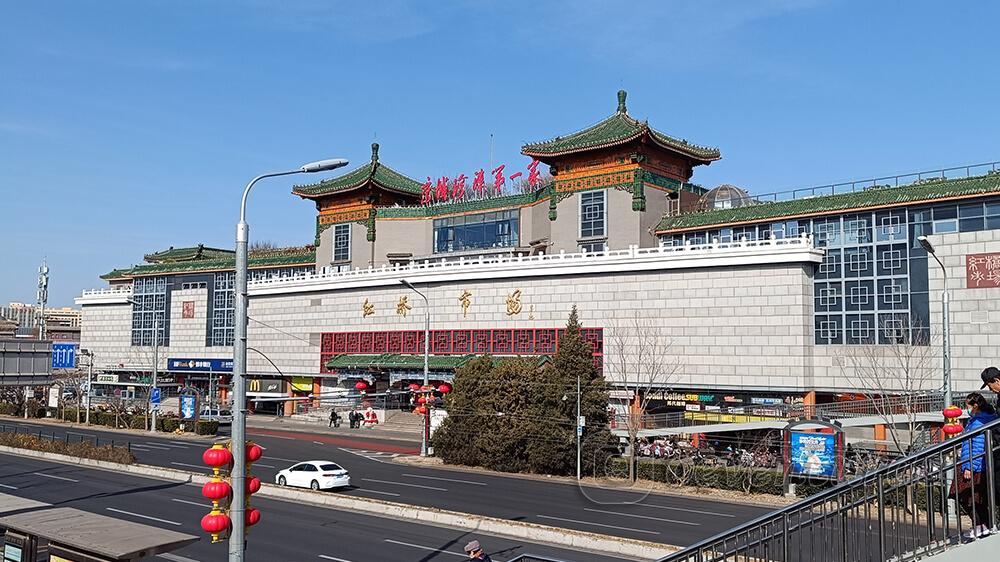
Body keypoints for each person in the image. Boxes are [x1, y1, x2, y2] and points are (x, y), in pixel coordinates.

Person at [954, 392, 997, 539]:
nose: (967, 408)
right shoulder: (977, 419)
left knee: (968, 497)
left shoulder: (979, 422)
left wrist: (970, 466)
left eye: (968, 405)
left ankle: (981, 525)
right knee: (974, 499)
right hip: (973, 464)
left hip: (975, 465)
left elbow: (978, 447)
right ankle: (982, 525)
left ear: (976, 406)